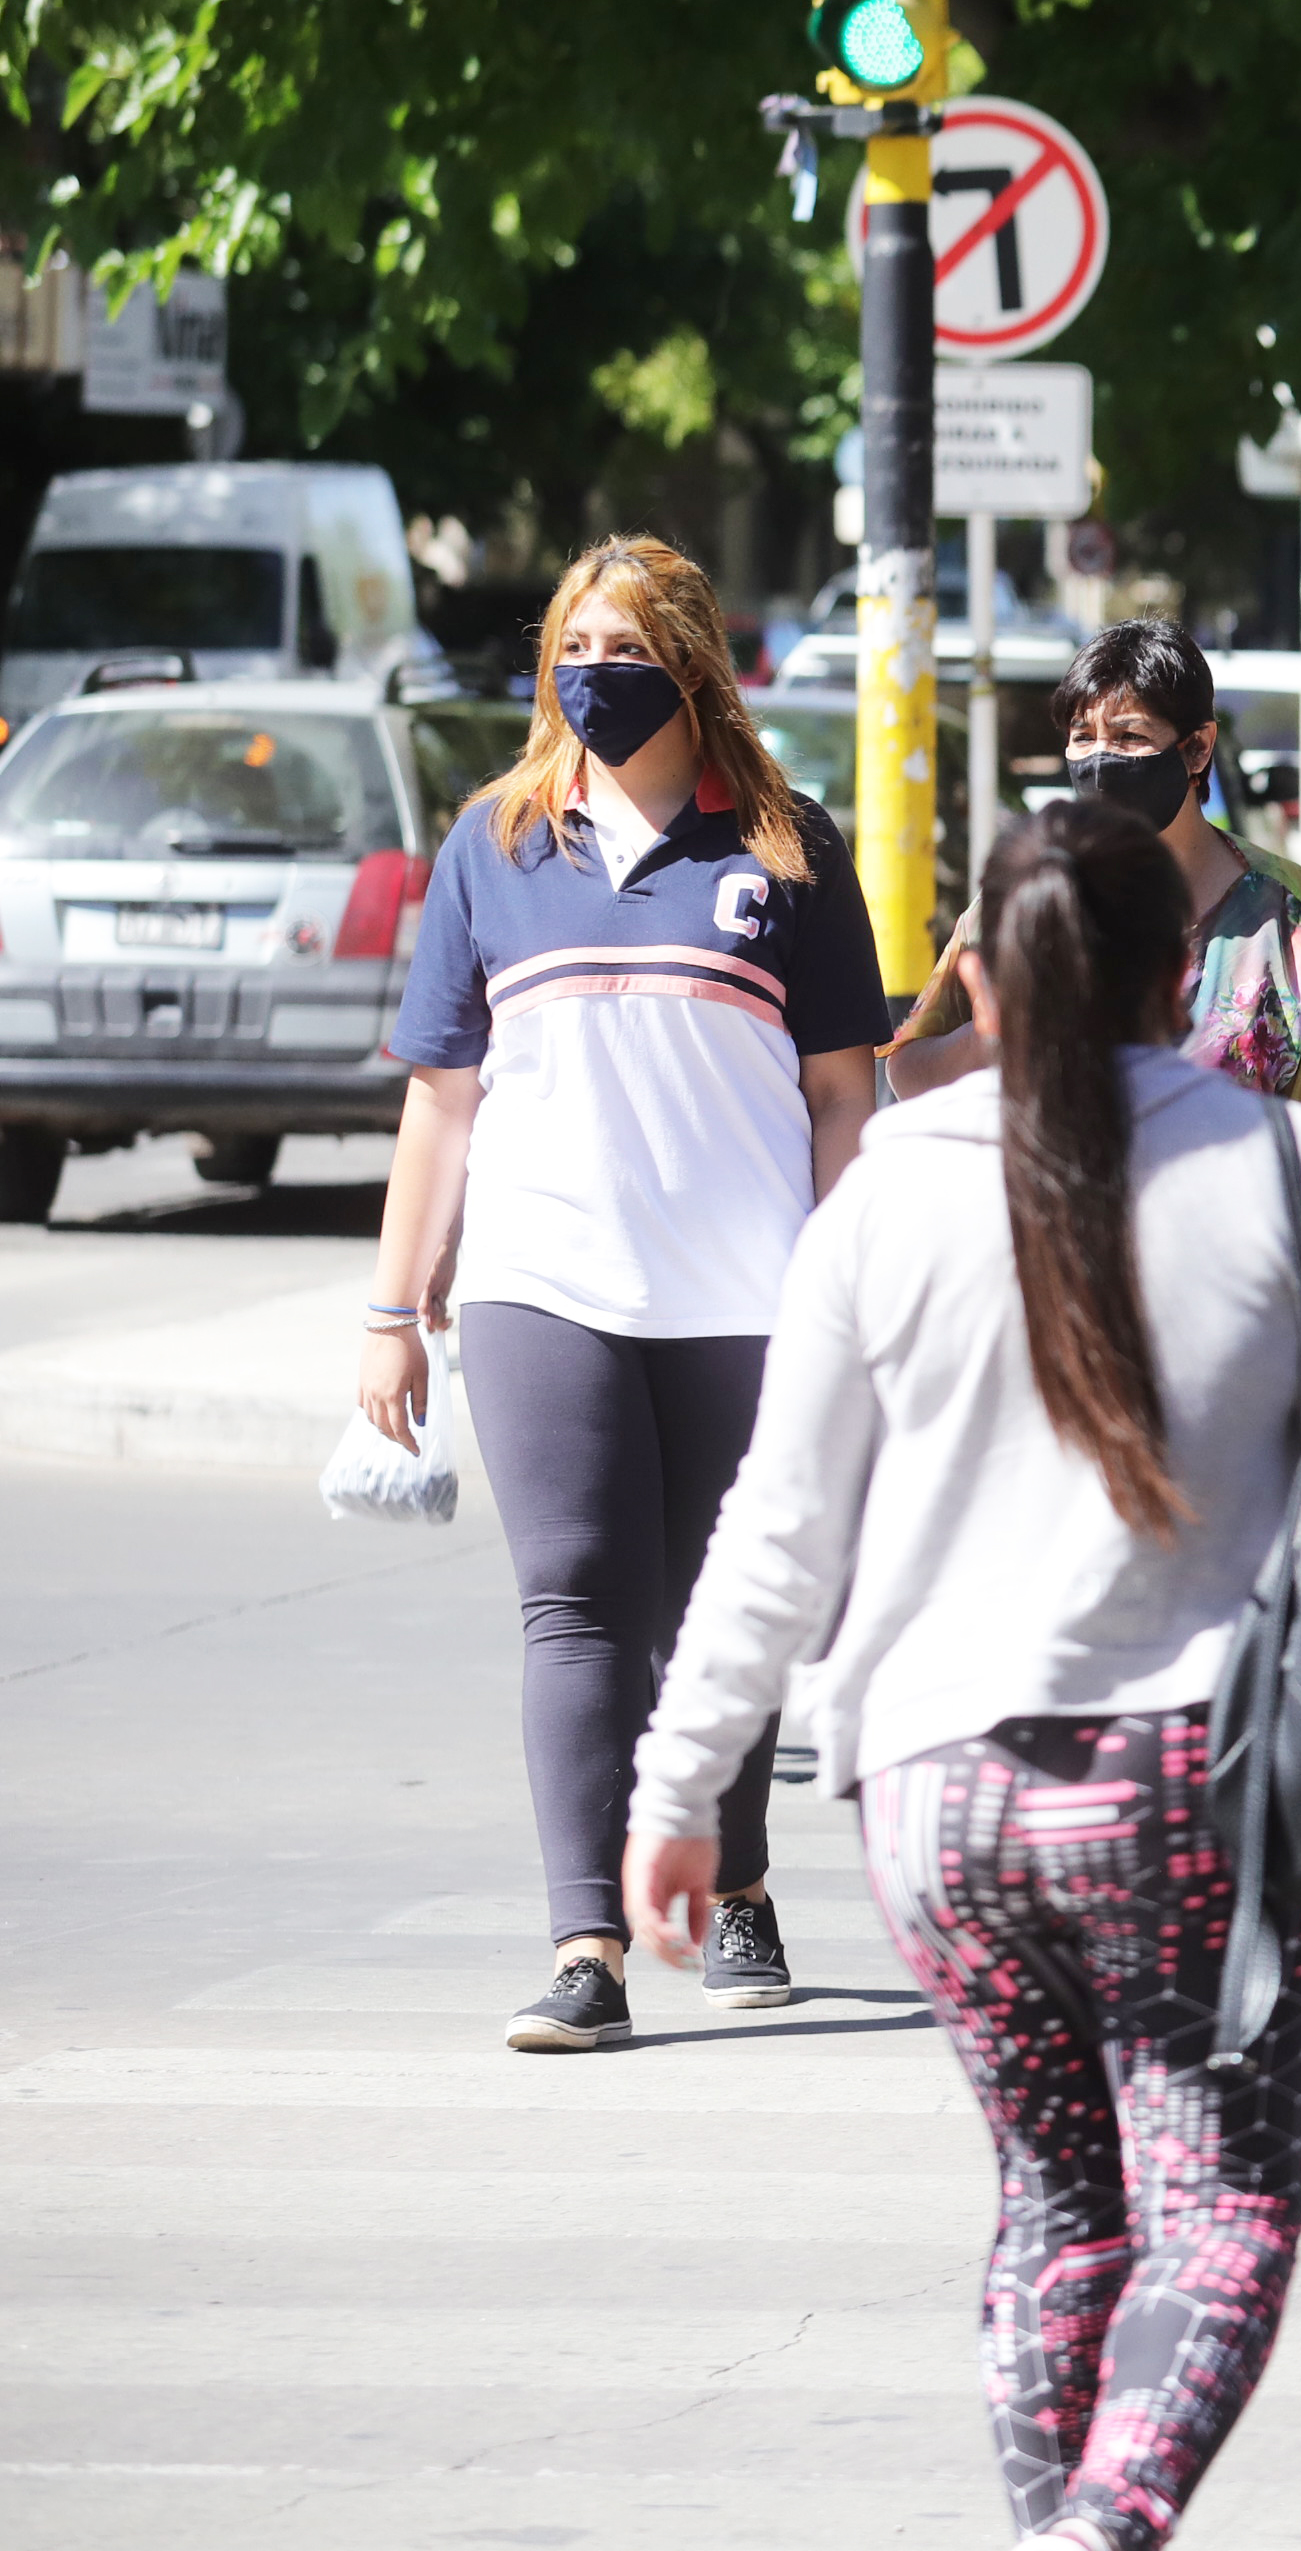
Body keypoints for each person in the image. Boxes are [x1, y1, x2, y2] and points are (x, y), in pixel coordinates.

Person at [623, 798, 1301, 2551]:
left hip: (932, 1795)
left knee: (1061, 2206)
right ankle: (1100, 2527)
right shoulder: (1292, 1169)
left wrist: (677, 1793)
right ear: (1176, 978)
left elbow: (779, 1530)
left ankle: (1054, 2517)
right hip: (1193, 1794)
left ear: (972, 973)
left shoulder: (881, 1193)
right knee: (1214, 2221)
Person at [355, 534, 884, 2053]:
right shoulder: (496, 844)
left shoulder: (785, 849)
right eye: (575, 643)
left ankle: (737, 1887)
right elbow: (443, 1098)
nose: (597, 668)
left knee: (719, 1612)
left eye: (630, 641)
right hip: (542, 1284)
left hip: (746, 1292)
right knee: (575, 1606)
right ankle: (587, 1943)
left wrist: (856, 1288)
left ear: (694, 663)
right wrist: (394, 1309)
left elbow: (846, 1093)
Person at [889, 619, 1301, 1179]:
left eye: (1130, 737)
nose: (1101, 759)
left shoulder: (1281, 911)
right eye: (1083, 736)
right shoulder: (1027, 893)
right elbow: (911, 1072)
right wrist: (996, 1036)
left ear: (1197, 749)